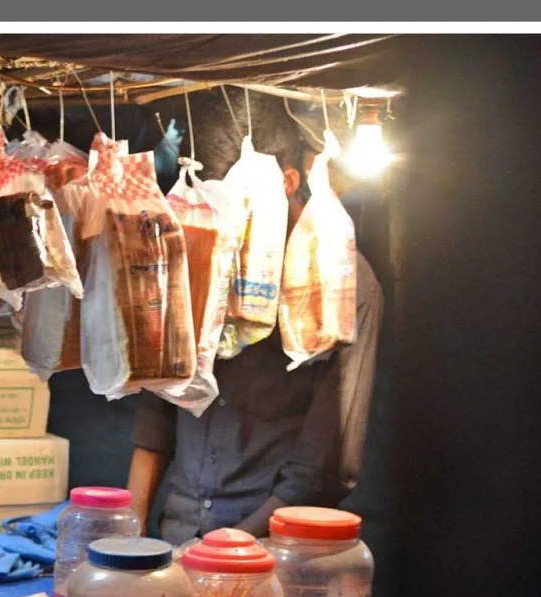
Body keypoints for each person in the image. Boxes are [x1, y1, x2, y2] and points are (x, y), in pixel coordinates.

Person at [127, 90, 385, 544]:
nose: (224, 220)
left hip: (270, 554)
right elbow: (159, 402)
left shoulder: (342, 279)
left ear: (287, 181)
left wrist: (223, 553)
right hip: (177, 533)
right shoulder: (201, 243)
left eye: (238, 204)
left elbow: (325, 465)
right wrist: (129, 535)